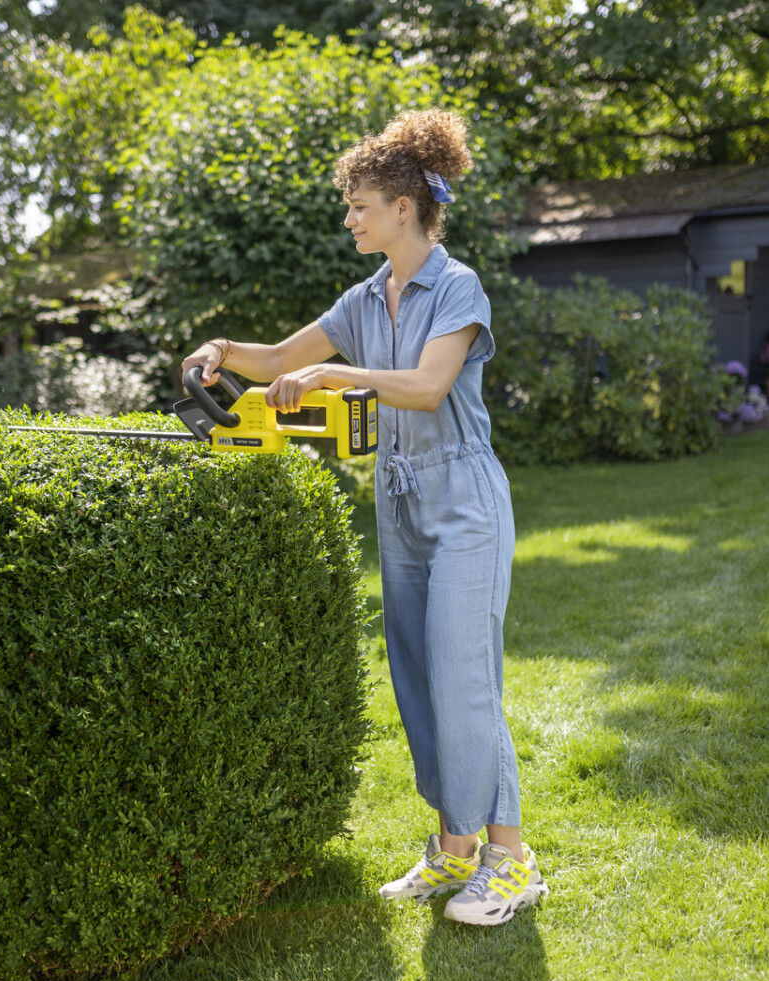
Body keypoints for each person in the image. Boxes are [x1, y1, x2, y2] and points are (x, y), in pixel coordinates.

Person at [180, 109, 548, 926]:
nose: (350, 218)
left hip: (464, 505)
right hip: (402, 501)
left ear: (405, 209)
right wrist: (221, 349)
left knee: (464, 680)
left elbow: (424, 387)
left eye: (361, 204)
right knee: (419, 679)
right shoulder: (364, 296)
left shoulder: (457, 288)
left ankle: (512, 860)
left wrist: (331, 378)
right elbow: (276, 359)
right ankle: (454, 853)